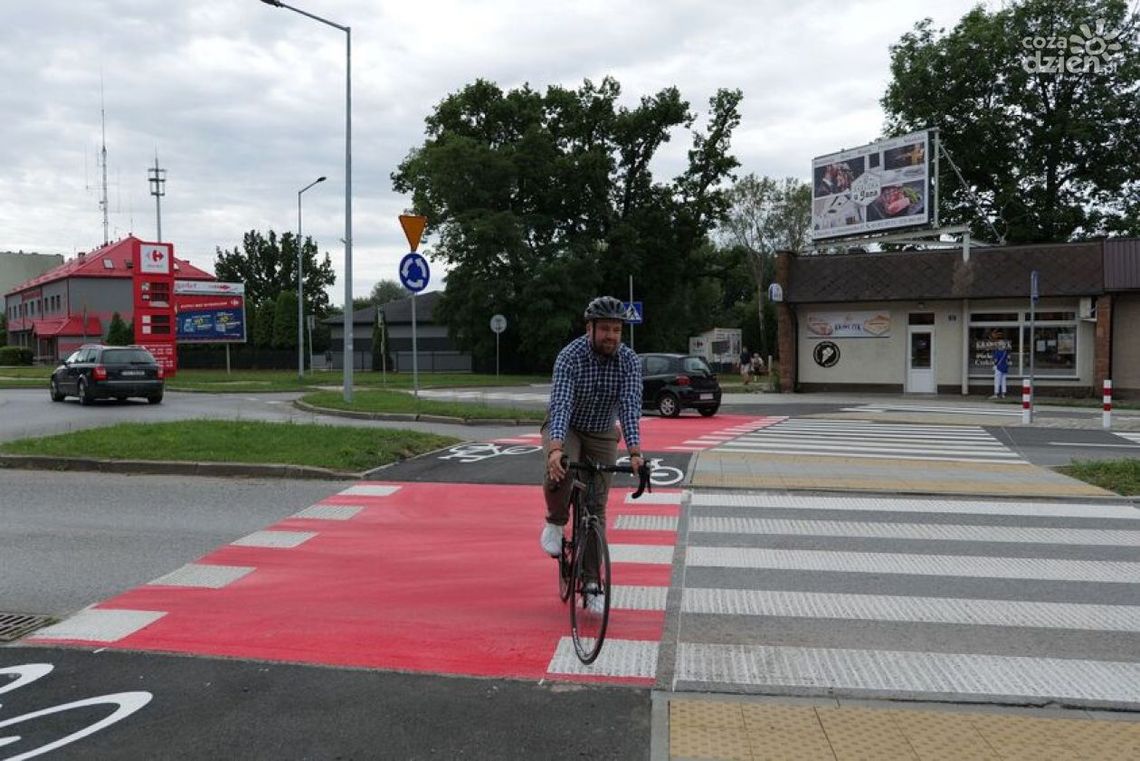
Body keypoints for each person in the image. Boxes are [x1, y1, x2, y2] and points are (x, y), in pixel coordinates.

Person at [540, 296, 644, 613]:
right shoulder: (570, 357)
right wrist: (556, 448)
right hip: (568, 426)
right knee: (562, 469)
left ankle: (590, 582)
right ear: (590, 328)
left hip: (601, 431)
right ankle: (556, 523)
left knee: (596, 508)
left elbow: (629, 407)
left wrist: (636, 452)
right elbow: (561, 404)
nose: (611, 336)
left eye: (616, 330)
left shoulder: (628, 362)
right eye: (605, 329)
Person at [991, 331, 1010, 399]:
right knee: (1003, 381)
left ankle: (996, 394)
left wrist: (994, 364)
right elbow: (1007, 360)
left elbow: (995, 361)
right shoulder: (1005, 352)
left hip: (998, 368)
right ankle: (1003, 394)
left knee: (997, 381)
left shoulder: (997, 352)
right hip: (1004, 368)